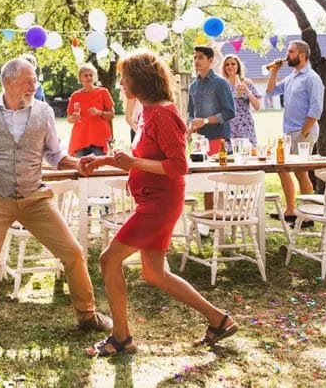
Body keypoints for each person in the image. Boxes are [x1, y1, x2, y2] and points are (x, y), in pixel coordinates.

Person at [81, 51, 237, 356]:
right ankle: (219, 320)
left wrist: (132, 160)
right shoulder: (147, 111)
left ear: (141, 80)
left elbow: (178, 166)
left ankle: (121, 337)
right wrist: (101, 161)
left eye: (125, 78)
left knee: (108, 259)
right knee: (154, 273)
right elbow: (144, 160)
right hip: (151, 201)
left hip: (159, 204)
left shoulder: (164, 113)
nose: (121, 84)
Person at [0, 57, 112, 340]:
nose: (34, 85)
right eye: (28, 81)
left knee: (73, 252)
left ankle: (87, 314)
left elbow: (54, 154)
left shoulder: (43, 111)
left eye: (35, 80)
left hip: (35, 195)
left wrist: (76, 165)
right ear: (8, 83)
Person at [265, 40, 325, 227]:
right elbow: (270, 92)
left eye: (290, 52)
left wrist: (304, 132)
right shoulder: (292, 77)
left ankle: (308, 215)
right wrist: (274, 70)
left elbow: (316, 109)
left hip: (303, 132)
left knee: (301, 172)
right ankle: (290, 210)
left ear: (302, 56)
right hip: (289, 132)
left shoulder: (311, 78)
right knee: (282, 169)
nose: (287, 55)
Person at [187, 45, 235, 212]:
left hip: (217, 138)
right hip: (199, 142)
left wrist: (206, 121)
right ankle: (209, 218)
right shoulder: (193, 86)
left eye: (200, 57)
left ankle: (220, 219)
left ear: (211, 61)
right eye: (194, 58)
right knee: (205, 182)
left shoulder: (220, 83)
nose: (196, 61)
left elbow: (230, 112)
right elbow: (190, 113)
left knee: (217, 182)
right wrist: (190, 127)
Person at [67, 63, 115, 157]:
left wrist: (99, 112)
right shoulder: (75, 96)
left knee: (98, 168)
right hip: (80, 138)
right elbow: (69, 119)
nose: (88, 77)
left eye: (91, 75)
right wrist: (73, 118)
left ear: (95, 77)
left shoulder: (103, 92)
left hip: (99, 138)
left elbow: (112, 114)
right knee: (80, 168)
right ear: (80, 78)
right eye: (85, 75)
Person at [221, 54, 262, 145]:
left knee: (248, 154)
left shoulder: (247, 83)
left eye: (233, 64)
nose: (230, 66)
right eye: (227, 64)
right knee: (228, 155)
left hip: (245, 125)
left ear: (238, 66)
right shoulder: (222, 85)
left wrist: (247, 91)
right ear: (224, 68)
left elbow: (257, 106)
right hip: (229, 127)